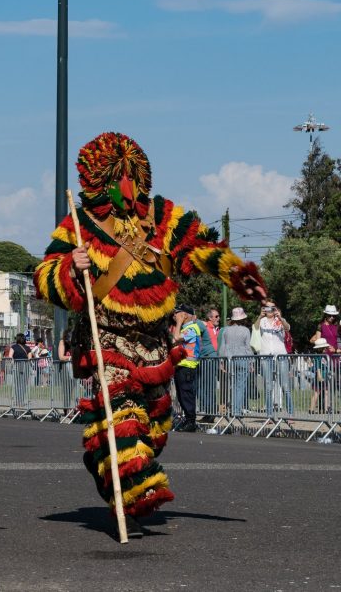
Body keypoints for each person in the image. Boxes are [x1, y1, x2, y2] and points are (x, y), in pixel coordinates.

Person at [34, 132, 265, 537]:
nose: (127, 188)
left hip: (156, 343)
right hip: (108, 340)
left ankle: (108, 463)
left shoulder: (162, 216)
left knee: (157, 426)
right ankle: (133, 489)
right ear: (97, 182)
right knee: (123, 422)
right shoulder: (80, 224)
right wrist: (71, 266)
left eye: (132, 176)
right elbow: (45, 277)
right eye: (116, 178)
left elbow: (199, 247)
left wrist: (236, 274)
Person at [218, 307, 254, 417]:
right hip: (242, 359)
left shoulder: (225, 330)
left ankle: (233, 408)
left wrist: (221, 360)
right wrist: (251, 362)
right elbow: (248, 348)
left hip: (230, 360)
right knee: (240, 386)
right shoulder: (246, 330)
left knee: (233, 385)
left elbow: (222, 347)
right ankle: (236, 410)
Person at [258, 302, 293, 416]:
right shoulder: (262, 321)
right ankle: (269, 414)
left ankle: (290, 413)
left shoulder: (280, 320)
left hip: (281, 354)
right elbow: (255, 328)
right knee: (268, 385)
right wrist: (260, 316)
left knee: (285, 385)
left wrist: (280, 317)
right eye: (267, 307)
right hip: (266, 355)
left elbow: (288, 328)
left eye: (272, 307)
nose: (269, 310)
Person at [171, 305, 201, 432]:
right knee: (182, 395)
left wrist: (178, 323)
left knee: (186, 395)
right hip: (181, 366)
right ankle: (188, 420)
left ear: (185, 315)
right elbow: (173, 340)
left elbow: (176, 338)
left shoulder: (192, 328)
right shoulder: (185, 328)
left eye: (178, 313)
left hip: (188, 366)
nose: (175, 315)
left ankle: (191, 421)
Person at [5, 334, 31, 409]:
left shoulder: (13, 347)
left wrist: (13, 363)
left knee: (17, 384)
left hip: (16, 366)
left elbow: (10, 357)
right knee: (23, 384)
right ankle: (22, 401)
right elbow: (29, 359)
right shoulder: (28, 348)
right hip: (25, 366)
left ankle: (17, 401)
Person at [309, 338, 333, 414]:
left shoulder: (325, 355)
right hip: (320, 375)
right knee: (317, 392)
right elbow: (317, 366)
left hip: (325, 375)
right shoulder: (318, 356)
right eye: (324, 348)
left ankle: (326, 409)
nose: (325, 349)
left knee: (326, 392)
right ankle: (311, 409)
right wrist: (319, 375)